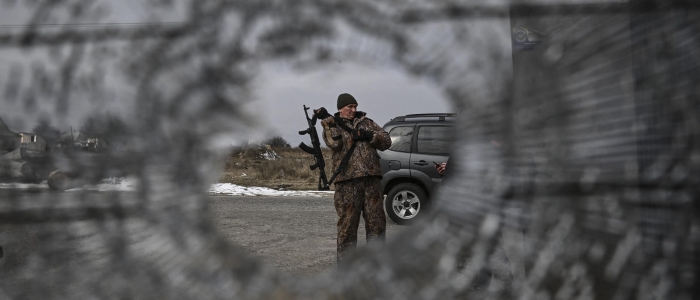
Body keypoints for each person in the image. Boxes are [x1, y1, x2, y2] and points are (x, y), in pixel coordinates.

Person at [314, 93, 391, 265]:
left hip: (372, 181)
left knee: (377, 227)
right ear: (340, 108)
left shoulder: (367, 122)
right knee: (347, 229)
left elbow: (387, 141)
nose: (353, 110)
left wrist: (369, 135)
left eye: (355, 106)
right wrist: (331, 124)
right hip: (347, 183)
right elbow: (334, 144)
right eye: (349, 106)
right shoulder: (331, 124)